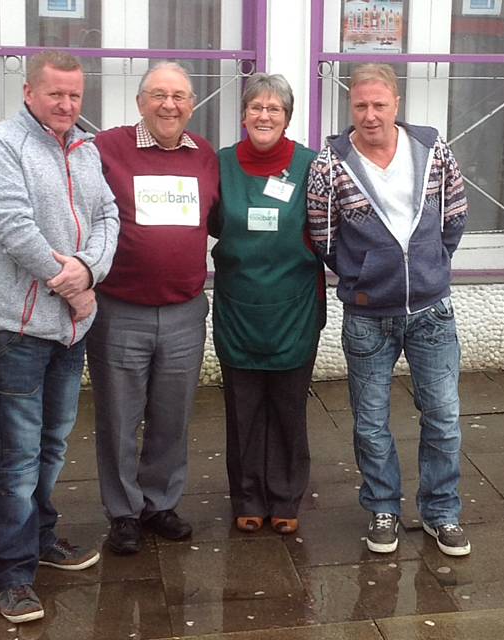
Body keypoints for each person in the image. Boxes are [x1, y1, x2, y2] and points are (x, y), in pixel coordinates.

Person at [0, 50, 120, 623]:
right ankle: (10, 574)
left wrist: (90, 270)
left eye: (75, 95)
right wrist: (70, 284)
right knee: (16, 455)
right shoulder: (0, 146)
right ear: (30, 91)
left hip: (69, 329)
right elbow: (12, 226)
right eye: (56, 94)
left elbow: (109, 217)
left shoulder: (85, 146)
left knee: (52, 445)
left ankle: (40, 537)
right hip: (19, 329)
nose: (67, 105)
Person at [307, 63, 471, 557]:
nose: (370, 115)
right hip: (366, 315)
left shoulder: (431, 148)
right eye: (360, 106)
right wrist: (360, 275)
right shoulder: (330, 162)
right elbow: (323, 235)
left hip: (431, 311)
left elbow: (455, 215)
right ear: (349, 106)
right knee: (370, 421)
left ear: (396, 104)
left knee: (443, 416)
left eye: (379, 105)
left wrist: (430, 266)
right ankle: (383, 507)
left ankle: (442, 511)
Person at [87, 62, 220, 554]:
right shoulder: (107, 149)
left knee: (172, 415)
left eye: (180, 96)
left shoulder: (204, 155)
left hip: (185, 310)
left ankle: (159, 503)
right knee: (119, 417)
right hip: (121, 309)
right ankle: (122, 512)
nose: (170, 105)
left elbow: (222, 218)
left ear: (192, 104)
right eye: (159, 95)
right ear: (141, 101)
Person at [211, 73, 325, 535]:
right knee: (242, 408)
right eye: (256, 107)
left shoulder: (312, 166)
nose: (264, 115)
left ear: (287, 117)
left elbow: (329, 225)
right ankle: (247, 498)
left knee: (288, 406)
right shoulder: (218, 165)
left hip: (293, 305)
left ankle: (285, 498)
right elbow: (209, 220)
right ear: (243, 115)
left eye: (274, 109)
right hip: (239, 304)